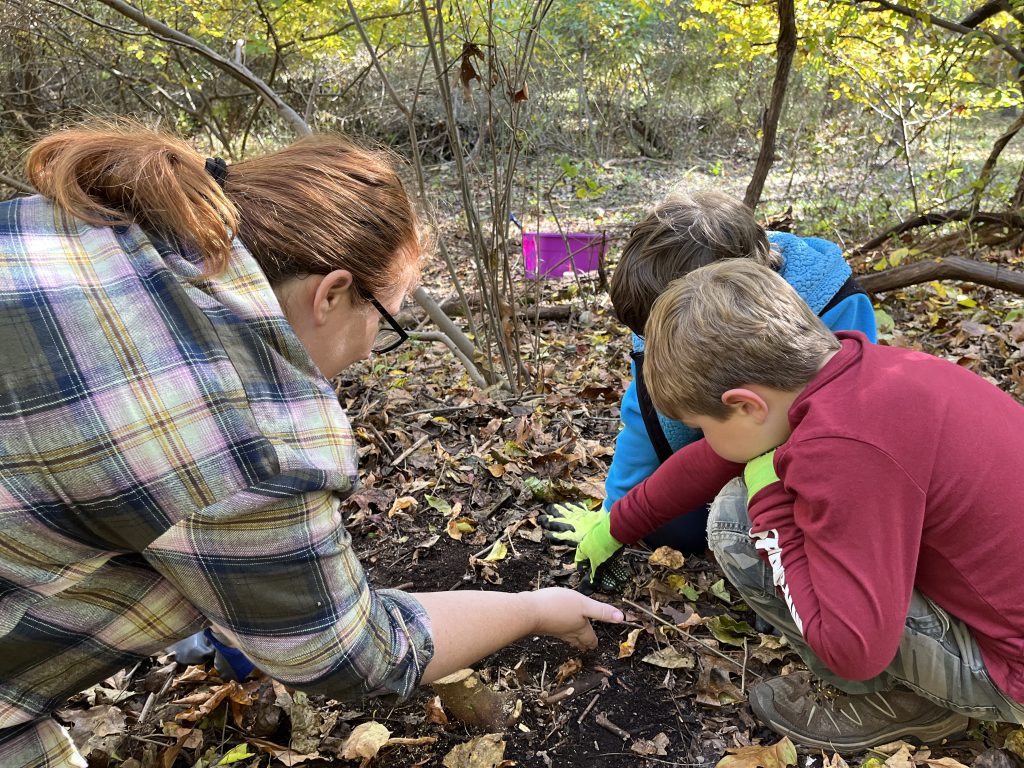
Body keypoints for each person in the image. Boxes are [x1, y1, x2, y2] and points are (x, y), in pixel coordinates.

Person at [0, 122, 623, 767]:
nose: (373, 351)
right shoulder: (246, 445)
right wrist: (532, 608)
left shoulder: (83, 229)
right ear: (330, 294)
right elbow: (358, 656)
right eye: (386, 322)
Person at [564, 259, 1024, 749]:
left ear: (745, 405)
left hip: (1007, 671)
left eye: (704, 424)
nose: (706, 438)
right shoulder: (859, 375)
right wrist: (614, 525)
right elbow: (709, 461)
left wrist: (771, 508)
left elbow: (855, 650)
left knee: (736, 521)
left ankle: (887, 700)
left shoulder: (844, 454)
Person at [541, 191, 877, 591]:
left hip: (811, 464)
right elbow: (645, 421)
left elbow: (846, 441)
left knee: (741, 517)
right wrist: (613, 516)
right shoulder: (660, 317)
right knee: (671, 529)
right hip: (729, 450)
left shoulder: (830, 303)